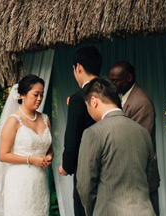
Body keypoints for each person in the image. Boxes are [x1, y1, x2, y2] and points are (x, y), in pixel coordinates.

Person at [76, 78, 156, 216]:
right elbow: (148, 174)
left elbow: (85, 185)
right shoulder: (142, 132)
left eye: (87, 105)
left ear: (94, 102)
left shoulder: (93, 133)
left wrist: (93, 212)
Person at [0, 74, 53, 216]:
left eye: (42, 95)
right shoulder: (13, 121)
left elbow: (49, 148)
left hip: (40, 180)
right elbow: (3, 155)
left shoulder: (45, 119)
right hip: (19, 180)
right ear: (22, 95)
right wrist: (31, 159)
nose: (39, 99)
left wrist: (49, 157)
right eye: (36, 94)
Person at [108, 60, 160, 213]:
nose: (112, 85)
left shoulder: (141, 102)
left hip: (141, 173)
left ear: (129, 78)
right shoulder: (123, 97)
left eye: (115, 81)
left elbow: (138, 141)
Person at [59, 46, 102, 216]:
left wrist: (66, 166)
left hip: (86, 168)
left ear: (78, 68)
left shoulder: (79, 98)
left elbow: (72, 139)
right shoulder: (111, 93)